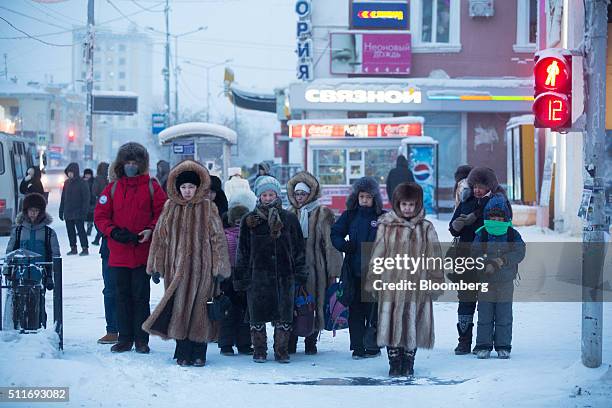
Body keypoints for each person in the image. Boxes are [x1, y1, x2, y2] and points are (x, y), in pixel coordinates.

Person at [143, 160, 231, 366]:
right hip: (176, 271)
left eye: (191, 187)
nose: (187, 191)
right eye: (183, 187)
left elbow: (218, 239)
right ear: (177, 187)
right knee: (179, 310)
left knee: (200, 311)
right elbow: (160, 239)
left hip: (203, 271)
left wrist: (219, 267)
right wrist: (156, 266)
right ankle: (182, 351)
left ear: (198, 187)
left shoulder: (208, 209)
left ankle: (199, 352)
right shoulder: (170, 208)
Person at [94, 142, 167, 354]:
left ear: (141, 164)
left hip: (142, 253)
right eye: (128, 162)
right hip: (118, 253)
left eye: (135, 162)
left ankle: (141, 339)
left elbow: (162, 214)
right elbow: (100, 215)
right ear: (122, 164)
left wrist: (150, 230)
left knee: (141, 298)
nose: (131, 166)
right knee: (121, 297)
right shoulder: (113, 188)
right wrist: (113, 232)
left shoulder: (152, 186)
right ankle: (125, 338)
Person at [365, 182, 444, 376]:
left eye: (411, 204)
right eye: (404, 204)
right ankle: (394, 361)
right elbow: (378, 253)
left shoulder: (426, 227)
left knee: (412, 322)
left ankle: (408, 361)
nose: (407, 208)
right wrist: (374, 277)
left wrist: (435, 280)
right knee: (391, 322)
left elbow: (435, 256)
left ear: (417, 204)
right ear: (397, 204)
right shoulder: (386, 225)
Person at [234, 175, 307, 364]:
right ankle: (259, 350)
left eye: (271, 194)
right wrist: (241, 277)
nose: (268, 198)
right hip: (257, 277)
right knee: (257, 316)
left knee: (284, 315)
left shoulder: (289, 219)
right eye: (264, 195)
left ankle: (281, 350)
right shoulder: (249, 220)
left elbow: (299, 248)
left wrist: (300, 272)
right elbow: (242, 251)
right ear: (259, 197)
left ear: (277, 195)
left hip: (284, 276)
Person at [448, 166, 511, 355]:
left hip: (488, 261)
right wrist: (456, 225)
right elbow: (453, 229)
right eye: (474, 186)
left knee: (487, 303)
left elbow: (505, 227)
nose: (477, 190)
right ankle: (464, 341)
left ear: (489, 186)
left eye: (481, 186)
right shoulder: (466, 201)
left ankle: (484, 343)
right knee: (465, 300)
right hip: (465, 258)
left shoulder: (498, 203)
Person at [286, 171, 343, 355]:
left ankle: (311, 341)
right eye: (297, 194)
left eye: (303, 193)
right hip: (293, 267)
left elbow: (330, 243)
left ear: (310, 194)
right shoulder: (289, 213)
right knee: (294, 304)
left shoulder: (322, 213)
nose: (300, 197)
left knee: (314, 303)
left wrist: (333, 269)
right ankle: (291, 340)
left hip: (316, 267)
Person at [330, 176, 385, 359]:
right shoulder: (350, 215)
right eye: (362, 196)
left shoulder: (382, 217)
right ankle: (358, 347)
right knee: (355, 311)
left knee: (373, 311)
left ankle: (372, 346)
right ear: (356, 197)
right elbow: (336, 233)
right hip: (353, 271)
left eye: (368, 197)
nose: (364, 200)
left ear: (374, 198)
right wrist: (344, 245)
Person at [471, 197, 525, 359]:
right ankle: (483, 345)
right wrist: (485, 263)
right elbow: (474, 253)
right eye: (492, 218)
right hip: (485, 281)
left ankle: (503, 345)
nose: (496, 221)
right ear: (488, 217)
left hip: (506, 281)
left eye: (499, 218)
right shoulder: (482, 233)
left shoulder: (511, 234)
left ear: (505, 218)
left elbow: (520, 251)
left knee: (504, 314)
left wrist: (503, 260)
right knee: (485, 314)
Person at [5, 193, 60, 328]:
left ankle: (39, 330)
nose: (33, 214)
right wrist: (7, 271)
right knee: (19, 305)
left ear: (41, 212)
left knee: (38, 305)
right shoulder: (18, 231)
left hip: (39, 276)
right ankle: (20, 330)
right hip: (20, 275)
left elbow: (55, 255)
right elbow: (10, 252)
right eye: (31, 211)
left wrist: (51, 276)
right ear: (26, 211)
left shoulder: (48, 233)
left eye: (36, 211)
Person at [218, 202, 253, 356]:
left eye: (242, 220)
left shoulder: (250, 234)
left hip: (245, 275)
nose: (239, 223)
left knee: (245, 312)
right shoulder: (224, 235)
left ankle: (244, 343)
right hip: (227, 276)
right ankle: (226, 344)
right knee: (227, 312)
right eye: (237, 220)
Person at [59, 162, 90, 256]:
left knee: (81, 231)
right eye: (68, 172)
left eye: (71, 172)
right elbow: (63, 198)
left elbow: (86, 198)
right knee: (70, 231)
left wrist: (84, 212)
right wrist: (61, 211)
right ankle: (73, 248)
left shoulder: (82, 183)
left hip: (78, 212)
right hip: (68, 211)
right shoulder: (66, 183)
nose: (69, 174)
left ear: (75, 172)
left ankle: (85, 248)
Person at [97, 236, 118, 344]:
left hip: (134, 247)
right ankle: (112, 330)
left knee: (133, 291)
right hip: (109, 249)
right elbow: (99, 221)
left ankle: (133, 332)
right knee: (110, 291)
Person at [91, 162, 110, 246]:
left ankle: (99, 237)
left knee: (98, 220)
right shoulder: (110, 178)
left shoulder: (98, 178)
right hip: (110, 202)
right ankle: (98, 238)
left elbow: (94, 191)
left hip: (100, 201)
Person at [83, 168, 95, 236]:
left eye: (88, 174)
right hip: (83, 202)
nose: (87, 176)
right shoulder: (82, 181)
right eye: (86, 174)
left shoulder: (93, 181)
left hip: (91, 202)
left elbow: (93, 191)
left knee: (90, 217)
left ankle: (89, 230)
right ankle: (82, 230)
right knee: (83, 218)